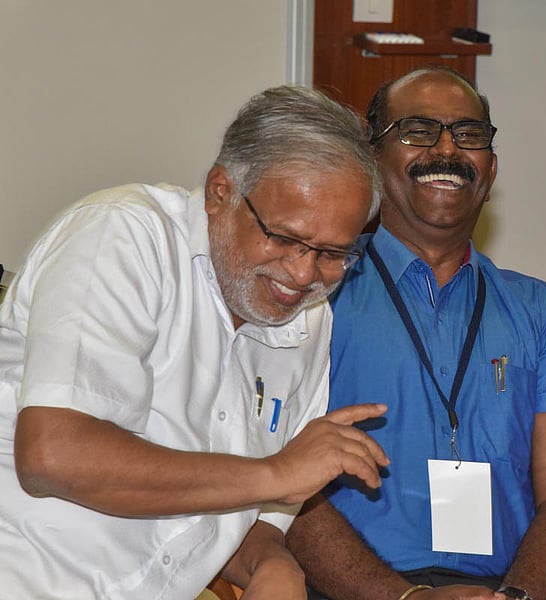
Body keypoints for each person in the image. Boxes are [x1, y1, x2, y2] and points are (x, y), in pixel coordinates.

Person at [0, 85, 391, 599]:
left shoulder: (310, 318)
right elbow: (53, 455)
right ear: (219, 192)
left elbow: (241, 511)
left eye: (333, 254)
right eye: (284, 238)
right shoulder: (124, 234)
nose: (303, 274)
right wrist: (275, 473)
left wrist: (273, 563)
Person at [286, 67, 546, 600]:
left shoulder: (542, 311)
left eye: (469, 134)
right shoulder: (315, 290)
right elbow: (284, 481)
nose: (448, 149)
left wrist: (515, 597)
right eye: (418, 130)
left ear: (491, 170)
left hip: (510, 591)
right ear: (371, 158)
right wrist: (405, 599)